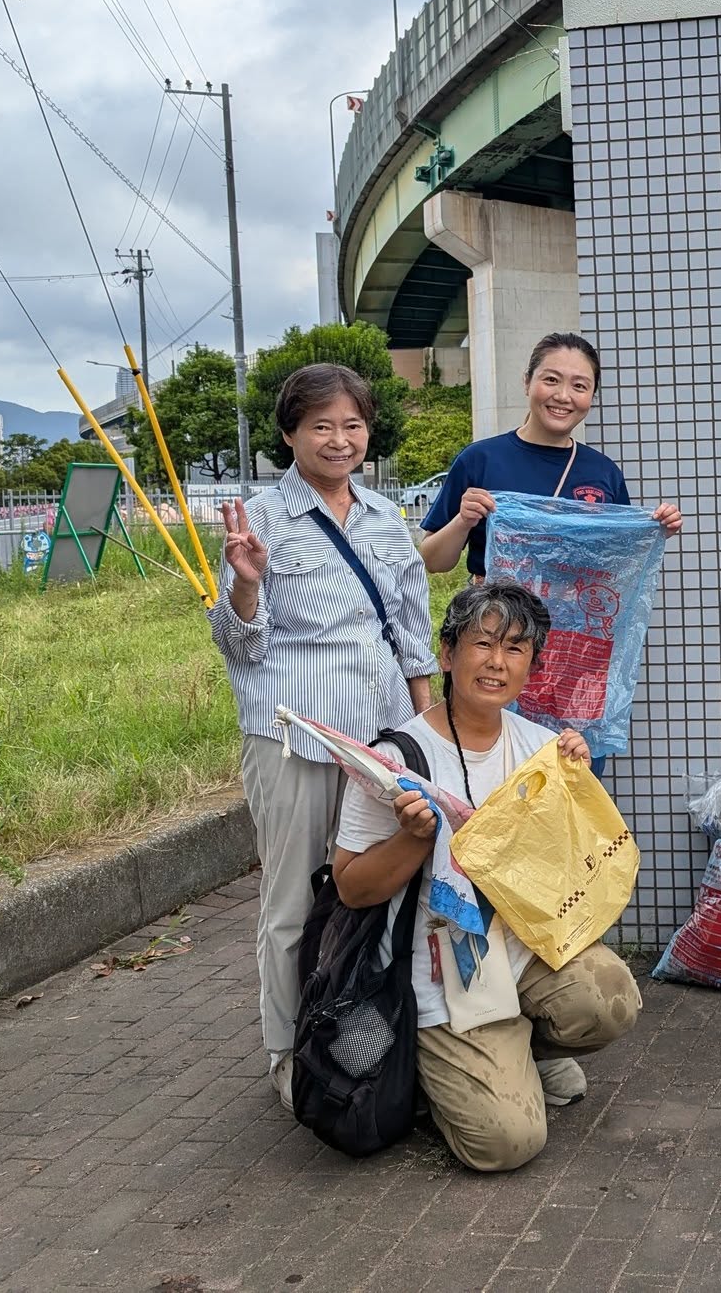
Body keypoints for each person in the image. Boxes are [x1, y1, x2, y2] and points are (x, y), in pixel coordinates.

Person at [331, 580, 641, 1171]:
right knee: (505, 1143)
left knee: (612, 1001)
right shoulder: (397, 760)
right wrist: (412, 839)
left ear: (531, 667)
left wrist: (574, 788)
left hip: (521, 953)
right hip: (441, 972)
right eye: (482, 643)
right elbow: (351, 887)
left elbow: (566, 869)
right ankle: (439, 1071)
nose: (497, 661)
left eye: (516, 648)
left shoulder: (541, 749)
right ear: (447, 655)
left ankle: (516, 1052)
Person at [210, 363, 439, 1106]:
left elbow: (412, 636)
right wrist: (247, 582)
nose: (340, 440)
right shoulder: (260, 520)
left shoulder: (385, 516)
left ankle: (374, 1037)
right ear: (289, 434)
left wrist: (426, 733)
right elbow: (238, 645)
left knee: (383, 889)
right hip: (296, 740)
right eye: (321, 426)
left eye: (353, 425)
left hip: (382, 739)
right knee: (292, 902)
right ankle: (289, 1053)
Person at [415, 332, 682, 581]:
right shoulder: (479, 459)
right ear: (527, 382)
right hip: (501, 616)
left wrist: (655, 530)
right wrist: (463, 521)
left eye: (579, 386)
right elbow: (433, 561)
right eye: (551, 380)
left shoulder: (604, 472)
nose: (563, 396)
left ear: (591, 396)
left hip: (578, 615)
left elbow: (617, 561)